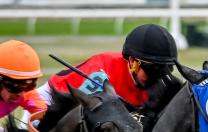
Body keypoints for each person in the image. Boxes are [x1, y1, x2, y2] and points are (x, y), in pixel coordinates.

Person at [37, 23, 177, 110]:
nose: (158, 78)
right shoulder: (100, 76)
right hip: (49, 102)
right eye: (153, 71)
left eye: (163, 71)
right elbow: (76, 116)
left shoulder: (159, 83)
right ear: (133, 62)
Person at [0, 40, 47, 132]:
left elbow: (44, 114)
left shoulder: (26, 94)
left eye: (29, 86)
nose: (21, 94)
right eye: (15, 87)